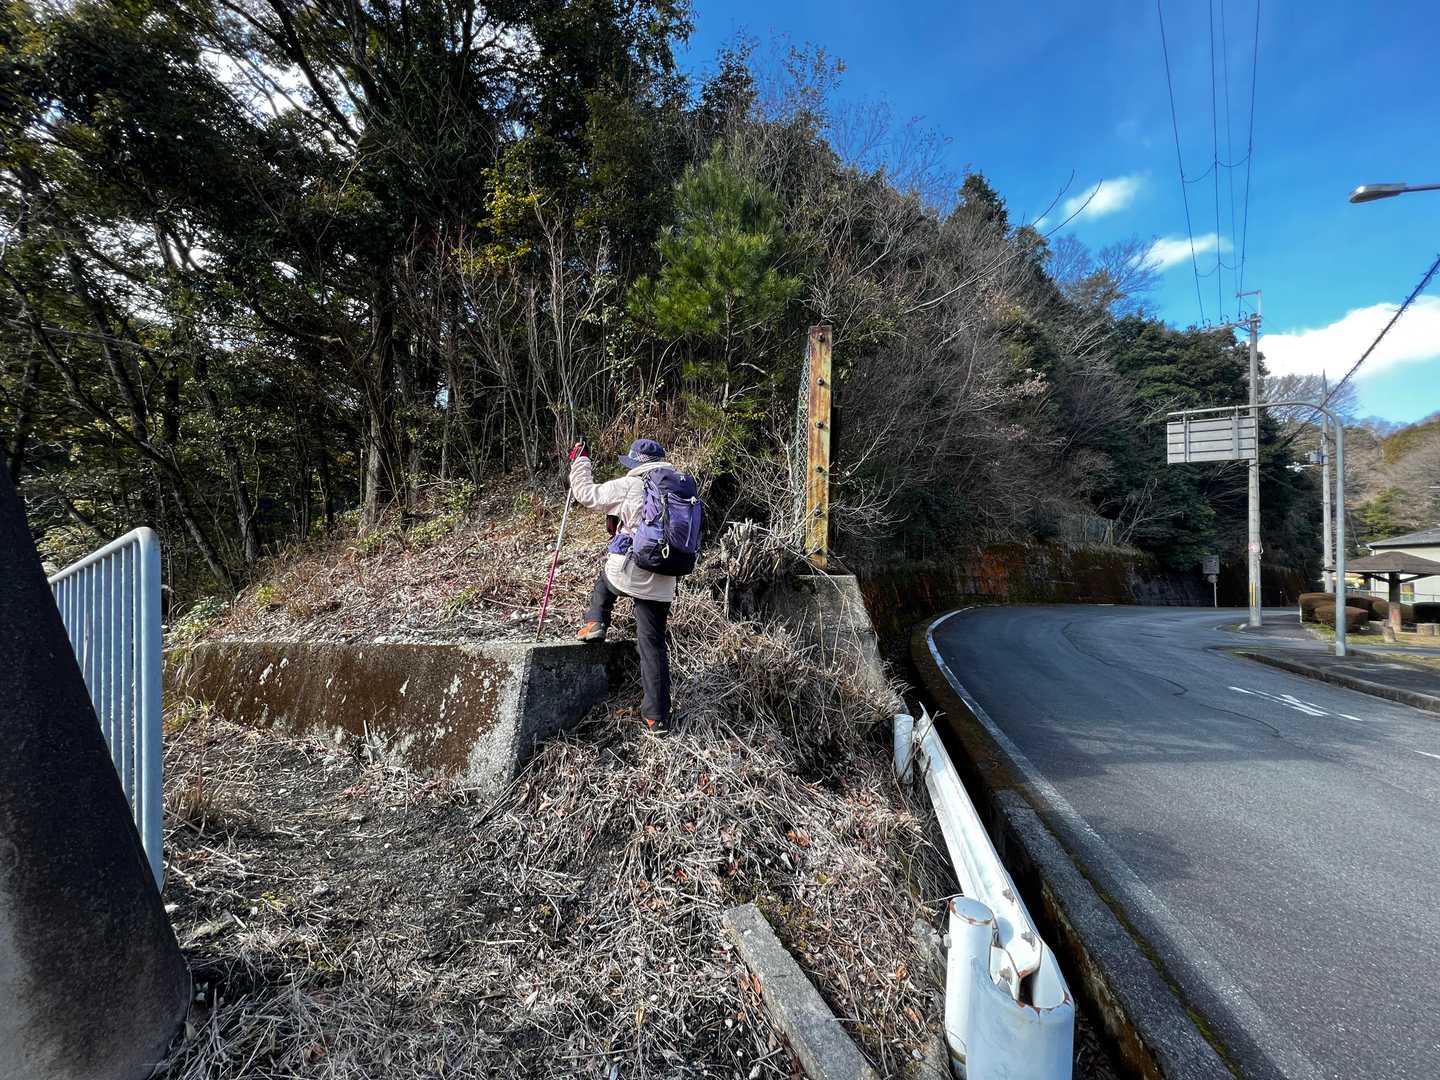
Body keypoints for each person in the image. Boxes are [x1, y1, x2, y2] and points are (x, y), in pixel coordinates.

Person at [568, 437, 675, 730]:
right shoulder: (678, 487)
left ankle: (595, 622)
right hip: (666, 574)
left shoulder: (630, 485)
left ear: (636, 463)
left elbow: (586, 494)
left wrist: (580, 461)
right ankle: (656, 717)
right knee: (652, 643)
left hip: (633, 568)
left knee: (605, 581)